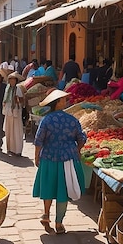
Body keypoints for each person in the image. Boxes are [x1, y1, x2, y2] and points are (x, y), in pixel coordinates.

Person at [32, 89, 87, 235]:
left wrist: (36, 157)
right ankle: (59, 223)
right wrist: (77, 150)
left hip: (49, 157)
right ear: (57, 103)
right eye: (63, 99)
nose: (65, 101)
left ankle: (46, 214)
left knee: (48, 187)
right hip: (67, 158)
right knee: (63, 190)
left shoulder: (46, 120)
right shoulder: (72, 120)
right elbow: (81, 138)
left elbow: (39, 141)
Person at [3, 72, 26, 156]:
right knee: (9, 130)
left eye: (13, 80)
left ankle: (17, 150)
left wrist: (18, 100)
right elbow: (5, 100)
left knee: (16, 130)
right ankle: (10, 148)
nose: (12, 82)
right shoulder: (7, 89)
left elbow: (22, 101)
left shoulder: (18, 89)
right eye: (10, 80)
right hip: (8, 112)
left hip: (16, 111)